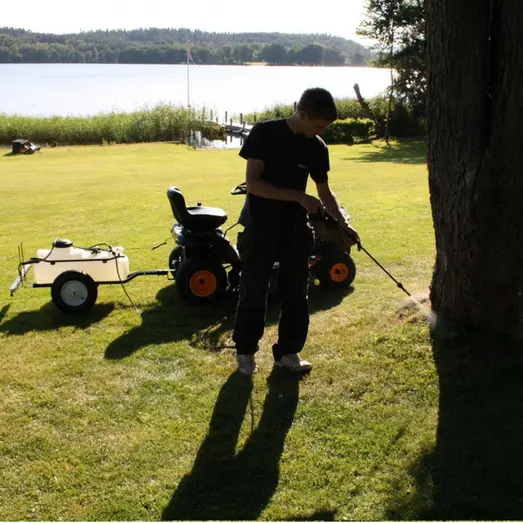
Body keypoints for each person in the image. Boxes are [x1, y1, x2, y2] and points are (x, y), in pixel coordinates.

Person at [232, 87, 360, 376]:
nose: (321, 132)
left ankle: (288, 353)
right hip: (260, 227)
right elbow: (253, 183)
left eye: (325, 127)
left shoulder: (316, 146)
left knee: (296, 292)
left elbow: (324, 193)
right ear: (302, 113)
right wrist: (300, 197)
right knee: (254, 289)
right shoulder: (265, 133)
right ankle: (245, 353)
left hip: (295, 230)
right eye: (318, 125)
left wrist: (343, 223)